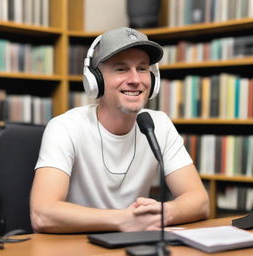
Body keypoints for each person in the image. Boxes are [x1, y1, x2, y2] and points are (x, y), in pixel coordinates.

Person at [30, 27, 209, 234]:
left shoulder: (159, 125)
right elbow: (42, 213)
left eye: (142, 69)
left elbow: (200, 201)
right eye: (121, 69)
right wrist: (123, 220)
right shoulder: (65, 127)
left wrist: (164, 212)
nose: (135, 79)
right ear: (95, 81)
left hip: (133, 243)